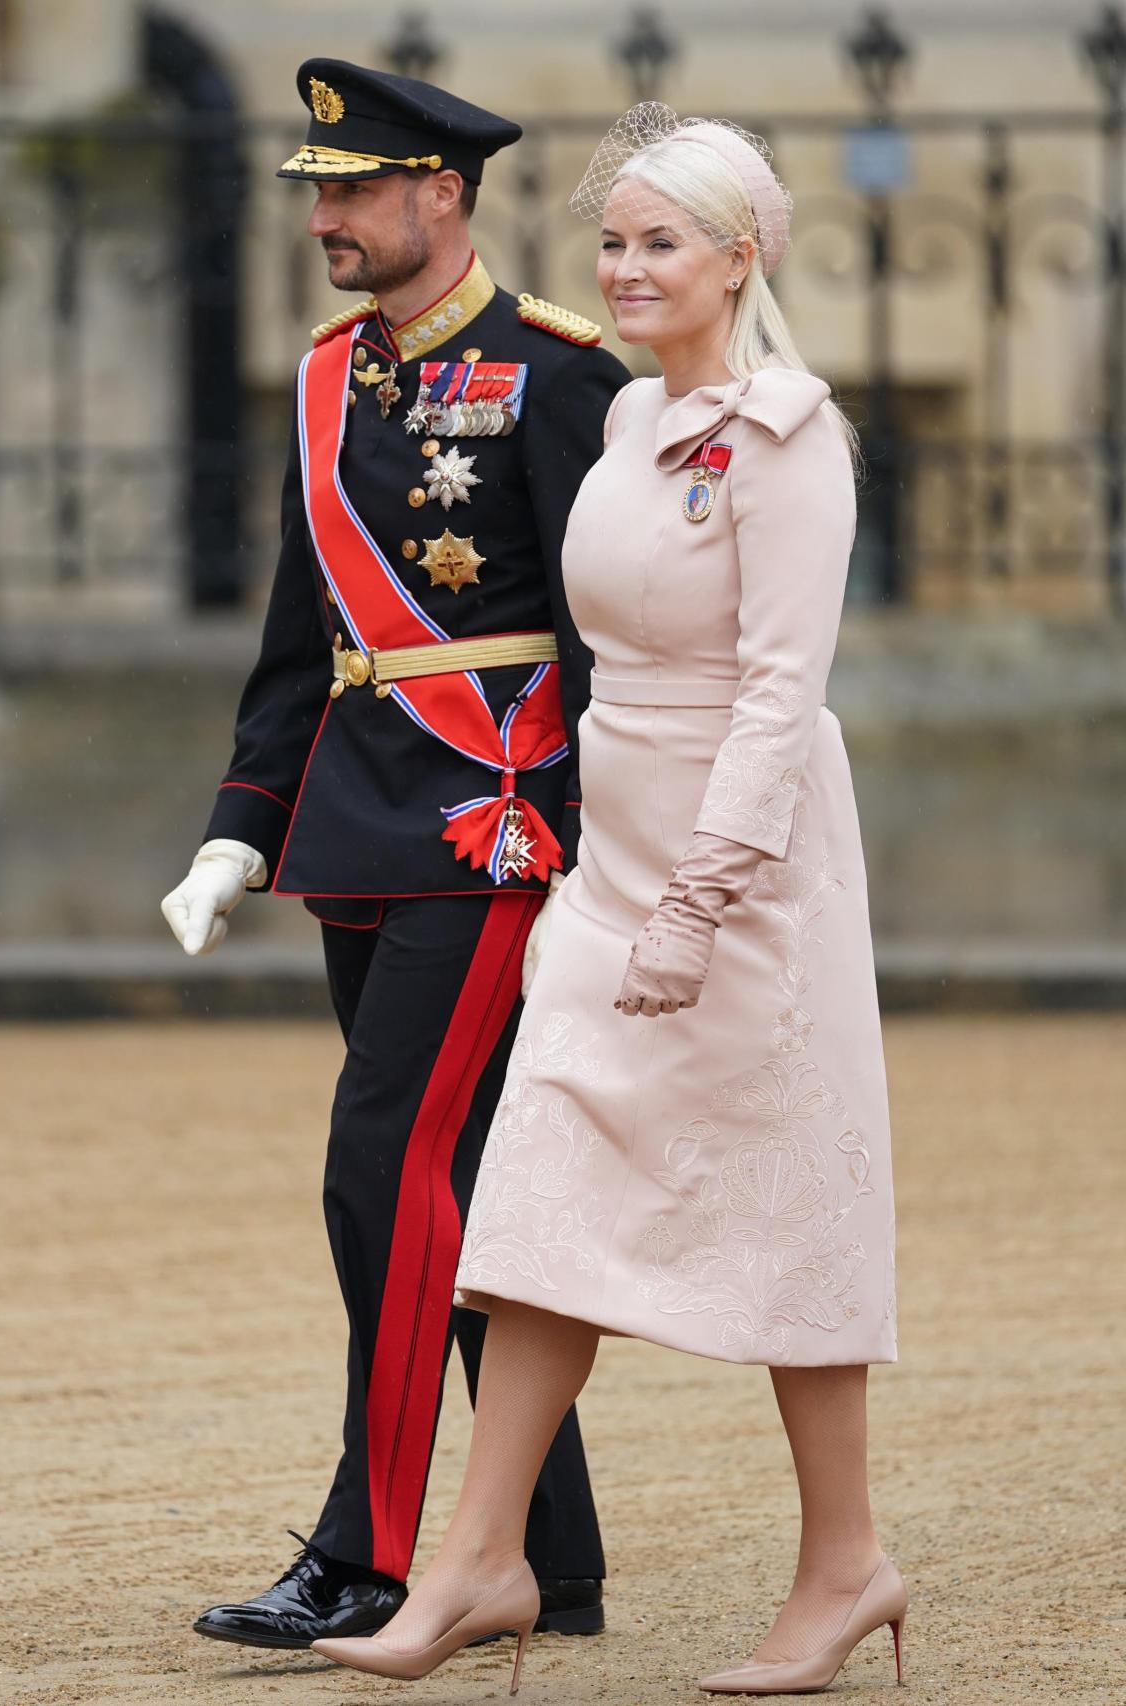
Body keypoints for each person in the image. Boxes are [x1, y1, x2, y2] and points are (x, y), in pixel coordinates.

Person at [312, 106, 905, 1696]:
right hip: (607, 852)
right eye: (614, 241)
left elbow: (782, 695)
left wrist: (701, 901)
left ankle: (846, 1561)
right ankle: (483, 1555)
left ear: (739, 257)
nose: (626, 269)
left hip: (744, 863)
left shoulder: (792, 438)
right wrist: (594, 862)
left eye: (661, 244)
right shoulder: (632, 421)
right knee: (538, 1193)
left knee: (792, 1203)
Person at [160, 59, 631, 1651]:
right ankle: (548, 1550)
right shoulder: (323, 382)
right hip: (354, 817)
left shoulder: (559, 375)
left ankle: (373, 1546)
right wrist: (236, 832)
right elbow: (307, 640)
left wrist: (599, 844)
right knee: (470, 1171)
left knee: (384, 1169)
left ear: (444, 191)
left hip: (492, 822)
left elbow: (602, 636)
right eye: (315, 188)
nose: (324, 215)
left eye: (353, 188)